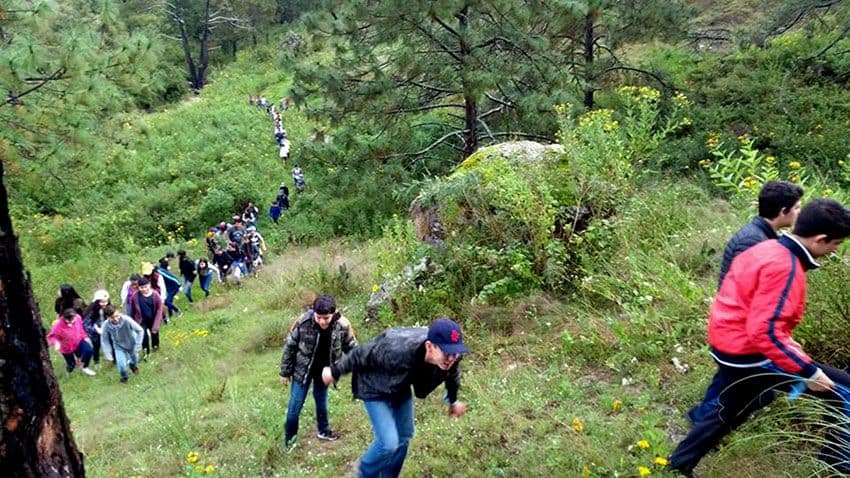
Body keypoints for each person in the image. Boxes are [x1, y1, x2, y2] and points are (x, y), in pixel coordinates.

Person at [669, 199, 850, 476]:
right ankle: (837, 466)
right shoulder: (786, 266)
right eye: (836, 244)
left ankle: (678, 466)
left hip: (729, 345)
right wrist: (809, 372)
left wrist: (786, 343)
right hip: (751, 355)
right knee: (845, 393)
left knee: (732, 406)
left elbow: (743, 304)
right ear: (821, 239)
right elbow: (764, 331)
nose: (836, 250)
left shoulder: (767, 247)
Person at [322, 317, 470, 477]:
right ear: (430, 346)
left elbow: (452, 377)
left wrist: (453, 401)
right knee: (388, 443)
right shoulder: (397, 347)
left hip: (399, 386)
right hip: (373, 386)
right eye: (446, 352)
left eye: (455, 352)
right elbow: (361, 353)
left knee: (404, 436)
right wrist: (335, 371)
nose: (451, 358)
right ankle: (363, 472)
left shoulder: (453, 358)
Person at [280, 295, 358, 450]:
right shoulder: (303, 322)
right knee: (294, 408)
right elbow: (290, 347)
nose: (322, 321)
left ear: (334, 314)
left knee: (321, 401)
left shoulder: (343, 325)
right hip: (302, 371)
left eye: (326, 318)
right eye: (319, 317)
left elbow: (352, 348)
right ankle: (290, 443)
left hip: (325, 373)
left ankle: (324, 431)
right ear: (313, 312)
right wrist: (285, 371)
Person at [718, 180, 803, 287]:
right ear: (783, 211)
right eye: (797, 208)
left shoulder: (762, 235)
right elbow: (744, 288)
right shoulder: (752, 241)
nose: (800, 212)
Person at [101, 305, 144, 384]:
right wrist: (108, 354)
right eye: (112, 317)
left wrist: (138, 345)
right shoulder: (106, 325)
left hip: (132, 344)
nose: (116, 319)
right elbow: (104, 340)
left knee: (134, 361)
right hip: (119, 346)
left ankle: (133, 366)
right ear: (107, 317)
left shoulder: (127, 320)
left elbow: (140, 330)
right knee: (121, 366)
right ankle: (124, 378)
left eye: (117, 316)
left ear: (119, 313)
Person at [47, 309, 97, 376]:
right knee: (71, 364)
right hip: (66, 347)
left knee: (88, 350)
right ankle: (69, 373)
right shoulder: (58, 325)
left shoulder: (78, 317)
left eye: (73, 319)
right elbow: (51, 336)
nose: (71, 322)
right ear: (64, 318)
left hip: (78, 341)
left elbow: (81, 328)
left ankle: (84, 367)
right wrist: (56, 343)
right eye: (69, 320)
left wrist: (85, 336)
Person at [130, 277, 163, 357]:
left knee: (154, 332)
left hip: (153, 318)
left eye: (145, 287)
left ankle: (155, 346)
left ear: (149, 285)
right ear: (139, 287)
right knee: (143, 335)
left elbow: (159, 310)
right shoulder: (135, 296)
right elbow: (132, 309)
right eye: (141, 287)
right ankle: (146, 351)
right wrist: (132, 321)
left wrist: (156, 324)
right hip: (141, 320)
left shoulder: (155, 295)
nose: (144, 289)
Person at [83, 289, 111, 367]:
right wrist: (96, 330)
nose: (104, 304)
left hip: (107, 329)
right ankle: (96, 361)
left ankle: (112, 359)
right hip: (96, 333)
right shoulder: (91, 311)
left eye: (106, 301)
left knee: (111, 343)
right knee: (96, 346)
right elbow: (86, 324)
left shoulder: (109, 308)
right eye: (101, 302)